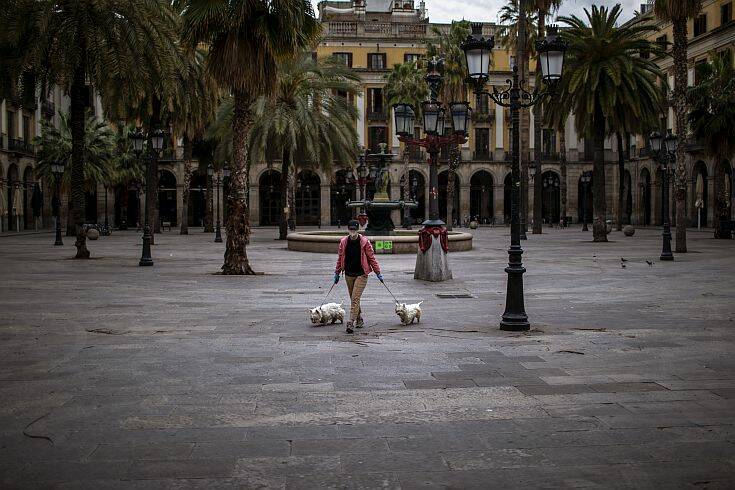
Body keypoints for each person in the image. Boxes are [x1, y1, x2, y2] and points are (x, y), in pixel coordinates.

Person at [334, 219, 383, 334]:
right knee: (353, 299)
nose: (353, 231)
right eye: (351, 229)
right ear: (348, 230)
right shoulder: (343, 242)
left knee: (355, 298)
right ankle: (359, 319)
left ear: (358, 230)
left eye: (354, 229)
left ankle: (350, 322)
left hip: (361, 274)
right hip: (349, 274)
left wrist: (378, 272)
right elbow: (340, 258)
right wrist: (336, 272)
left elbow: (371, 258)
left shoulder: (365, 242)